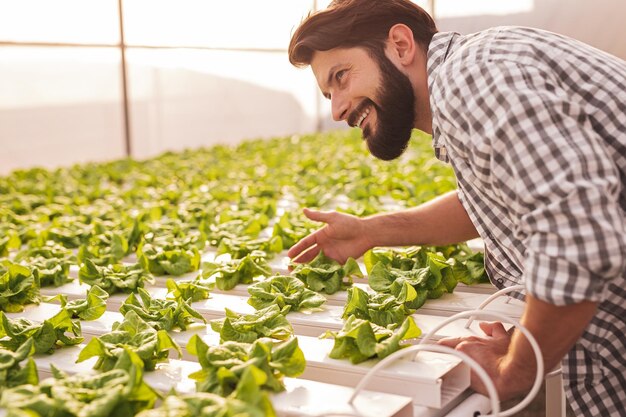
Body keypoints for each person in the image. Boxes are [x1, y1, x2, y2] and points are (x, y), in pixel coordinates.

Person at [286, 1, 626, 416]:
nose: (337, 108)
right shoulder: (473, 75)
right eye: (328, 93)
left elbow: (577, 236)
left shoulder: (475, 77)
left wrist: (515, 368)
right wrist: (370, 231)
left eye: (341, 77)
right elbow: (493, 198)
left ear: (400, 44)